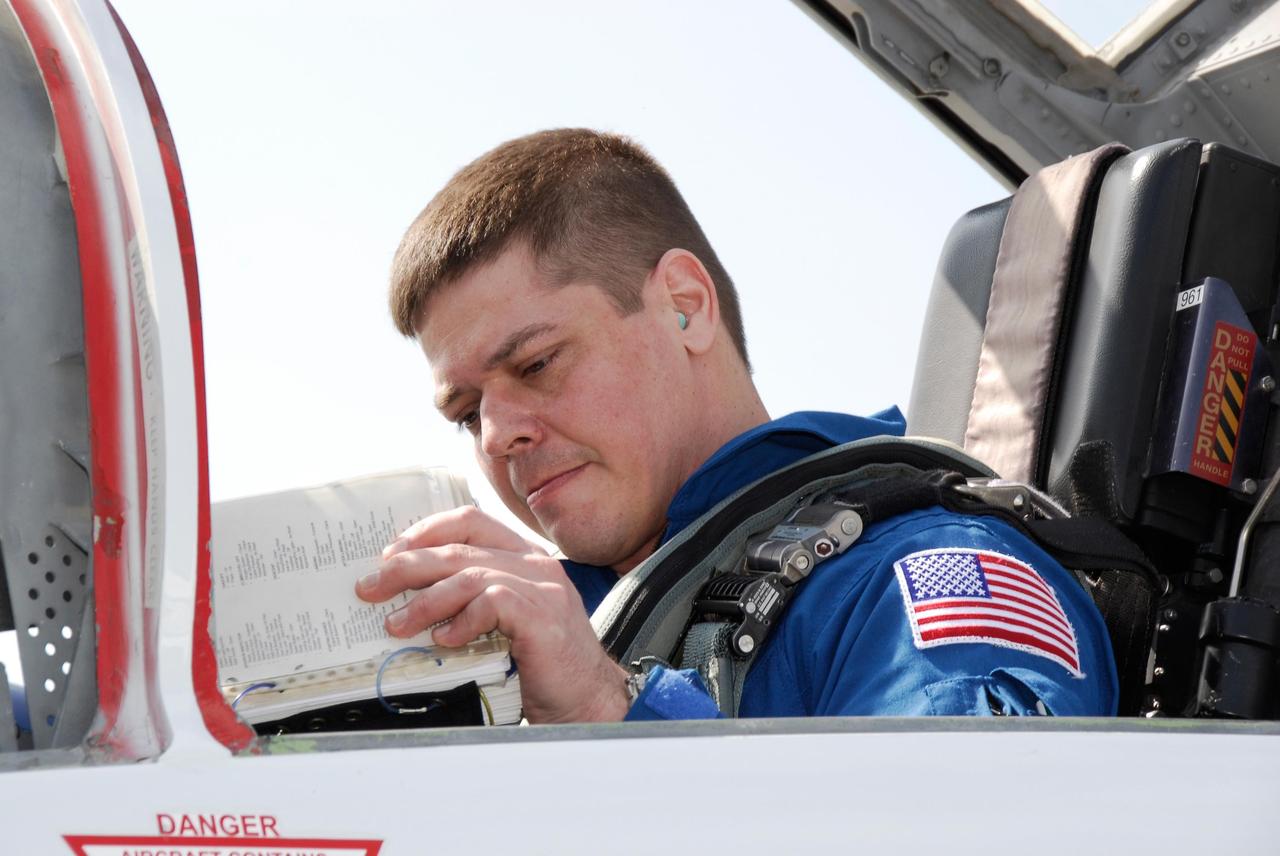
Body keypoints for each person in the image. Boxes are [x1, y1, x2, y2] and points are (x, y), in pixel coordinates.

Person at [355, 128, 1117, 723]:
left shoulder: (932, 575)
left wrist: (608, 710)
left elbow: (979, 826)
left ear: (684, 305)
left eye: (537, 364)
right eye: (465, 413)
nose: (496, 436)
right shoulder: (532, 645)